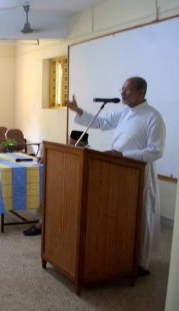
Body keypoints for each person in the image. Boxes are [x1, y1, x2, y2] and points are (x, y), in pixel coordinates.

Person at [67, 76, 166, 275]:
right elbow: (102, 122)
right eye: (122, 89)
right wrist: (78, 111)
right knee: (122, 215)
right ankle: (121, 255)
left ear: (141, 92)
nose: (122, 93)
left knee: (141, 216)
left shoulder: (153, 117)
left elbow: (155, 151)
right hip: (118, 170)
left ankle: (141, 263)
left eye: (127, 90)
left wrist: (123, 155)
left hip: (140, 172)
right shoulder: (124, 112)